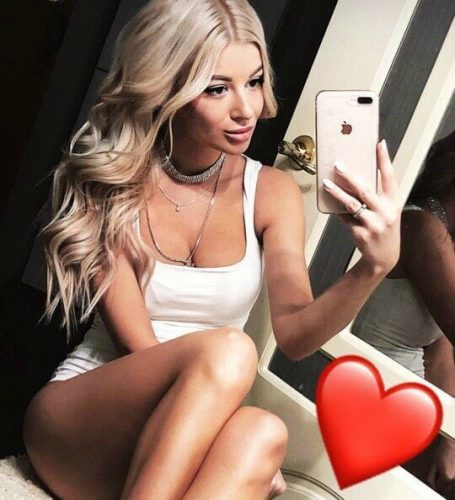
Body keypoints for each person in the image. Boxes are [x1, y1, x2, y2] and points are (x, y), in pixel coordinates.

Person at [22, 1, 400, 498]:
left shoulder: (271, 192)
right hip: (86, 424)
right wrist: (218, 447)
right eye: (217, 88)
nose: (247, 108)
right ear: (168, 86)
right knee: (231, 351)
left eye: (254, 81)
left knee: (264, 433)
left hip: (174, 442)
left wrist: (373, 266)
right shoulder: (112, 182)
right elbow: (139, 349)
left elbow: (295, 335)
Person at [351, 130, 455, 498]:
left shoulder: (446, 235)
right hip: (373, 394)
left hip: (411, 397)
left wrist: (450, 440)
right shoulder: (421, 227)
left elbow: (442, 350)